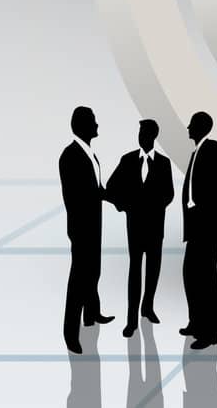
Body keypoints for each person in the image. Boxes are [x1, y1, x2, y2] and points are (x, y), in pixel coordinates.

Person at [106, 119, 174, 338]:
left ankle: (148, 307)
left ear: (153, 136)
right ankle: (131, 319)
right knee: (134, 271)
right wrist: (125, 206)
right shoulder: (127, 160)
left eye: (145, 132)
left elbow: (169, 193)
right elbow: (111, 187)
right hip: (134, 226)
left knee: (153, 270)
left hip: (155, 226)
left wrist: (155, 205)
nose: (141, 136)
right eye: (140, 132)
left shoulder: (164, 163)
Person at [60, 106, 114, 353]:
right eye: (93, 121)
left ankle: (92, 314)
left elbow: (97, 189)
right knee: (79, 278)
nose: (98, 125)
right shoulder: (70, 156)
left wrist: (114, 197)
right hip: (82, 227)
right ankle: (71, 334)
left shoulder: (91, 155)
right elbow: (76, 196)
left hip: (94, 225)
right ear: (82, 125)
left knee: (93, 271)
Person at [179, 111, 217, 350]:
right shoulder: (196, 152)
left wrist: (201, 206)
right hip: (196, 228)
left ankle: (209, 333)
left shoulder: (212, 148)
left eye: (191, 125)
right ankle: (196, 322)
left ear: (200, 127)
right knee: (191, 275)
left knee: (206, 279)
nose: (187, 128)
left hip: (207, 228)